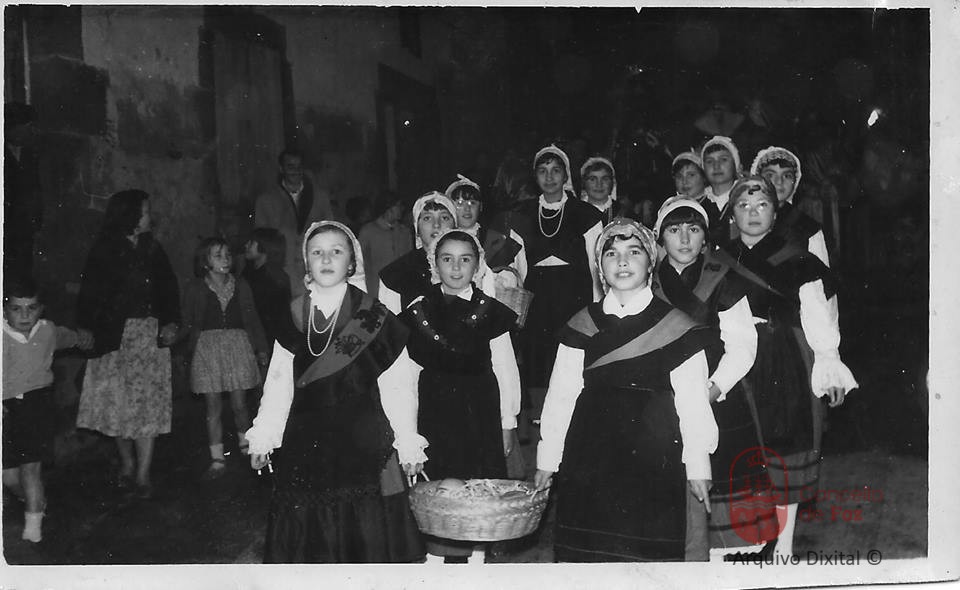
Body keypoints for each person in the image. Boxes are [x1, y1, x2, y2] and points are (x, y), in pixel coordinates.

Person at [534, 218, 718, 562]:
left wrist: (698, 465)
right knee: (591, 554)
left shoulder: (677, 326)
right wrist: (548, 458)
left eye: (634, 252)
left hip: (654, 450)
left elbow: (693, 403)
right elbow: (561, 395)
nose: (622, 261)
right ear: (599, 267)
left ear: (650, 263)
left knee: (647, 555)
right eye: (611, 253)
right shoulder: (582, 324)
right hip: (589, 453)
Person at [245, 220, 426, 563]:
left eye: (336, 251)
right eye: (317, 252)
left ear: (352, 262)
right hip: (306, 439)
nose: (326, 259)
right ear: (306, 262)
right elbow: (279, 383)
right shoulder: (293, 314)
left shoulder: (375, 316)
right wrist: (265, 435)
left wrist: (407, 440)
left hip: (362, 439)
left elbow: (398, 386)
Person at [722, 176, 858, 558]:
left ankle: (783, 546)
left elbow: (818, 316)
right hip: (733, 362)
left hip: (783, 359)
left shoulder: (798, 258)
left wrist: (829, 363)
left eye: (762, 205)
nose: (752, 213)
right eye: (744, 206)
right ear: (731, 214)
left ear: (776, 212)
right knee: (744, 450)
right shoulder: (717, 260)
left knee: (785, 447)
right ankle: (748, 542)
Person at [650, 197, 774, 560]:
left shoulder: (723, 278)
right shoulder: (646, 280)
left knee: (722, 484)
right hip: (660, 398)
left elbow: (743, 344)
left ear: (705, 237)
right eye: (674, 230)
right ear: (660, 238)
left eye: (693, 229)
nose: (684, 239)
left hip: (717, 395)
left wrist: (713, 388)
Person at [399, 229, 521, 564]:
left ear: (477, 265)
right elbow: (406, 374)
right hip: (435, 409)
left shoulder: (491, 312)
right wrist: (408, 431)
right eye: (447, 259)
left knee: (478, 481)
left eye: (465, 259)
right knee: (439, 482)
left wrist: (507, 421)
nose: (456, 267)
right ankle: (436, 558)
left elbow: (505, 368)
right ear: (434, 264)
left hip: (479, 408)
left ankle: (477, 557)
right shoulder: (418, 312)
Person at [76, 189, 180, 500]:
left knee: (146, 407)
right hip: (114, 339)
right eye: (145, 211)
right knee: (118, 405)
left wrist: (171, 322)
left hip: (148, 337)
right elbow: (90, 294)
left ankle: (143, 474)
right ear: (130, 215)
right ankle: (127, 463)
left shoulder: (153, 249)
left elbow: (169, 289)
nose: (149, 216)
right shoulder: (104, 250)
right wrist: (86, 328)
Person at [509, 144, 603, 424]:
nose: (549, 177)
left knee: (572, 356)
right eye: (543, 171)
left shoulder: (586, 214)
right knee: (539, 358)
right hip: (539, 298)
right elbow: (518, 266)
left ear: (566, 175)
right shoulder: (522, 214)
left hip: (574, 296)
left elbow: (595, 264)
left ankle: (575, 418)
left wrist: (597, 309)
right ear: (535, 176)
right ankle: (542, 421)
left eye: (555, 171)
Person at [3, 278, 93, 542]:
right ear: (4, 310)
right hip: (6, 408)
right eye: (16, 309)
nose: (24, 315)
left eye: (31, 308)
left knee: (31, 470)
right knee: (9, 476)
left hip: (36, 406)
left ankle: (33, 531)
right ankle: (36, 504)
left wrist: (83, 337)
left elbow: (71, 337)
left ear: (41, 309)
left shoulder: (48, 330)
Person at [180, 237, 269, 479]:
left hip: (237, 347)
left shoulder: (241, 285)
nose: (226, 259)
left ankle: (245, 443)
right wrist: (175, 337)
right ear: (205, 261)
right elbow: (187, 321)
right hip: (208, 350)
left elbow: (252, 318)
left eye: (228, 254)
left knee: (240, 404)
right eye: (218, 255)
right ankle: (217, 458)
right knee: (213, 407)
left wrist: (261, 348)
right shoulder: (196, 288)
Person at [379, 191, 496, 314]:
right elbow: (392, 322)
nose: (436, 225)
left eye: (444, 218)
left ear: (454, 225)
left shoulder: (477, 268)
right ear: (417, 228)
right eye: (427, 218)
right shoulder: (396, 274)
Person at [254, 148, 335, 297]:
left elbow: (331, 232)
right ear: (281, 169)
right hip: (282, 272)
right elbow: (261, 240)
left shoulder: (320, 197)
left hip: (314, 268)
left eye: (299, 167)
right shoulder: (265, 200)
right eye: (290, 166)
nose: (296, 171)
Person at [750, 146, 831, 266]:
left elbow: (819, 272)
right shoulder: (742, 218)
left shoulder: (807, 228)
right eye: (770, 175)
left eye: (787, 176)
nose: (779, 181)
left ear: (795, 182)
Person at [445, 174, 528, 290]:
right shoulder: (442, 240)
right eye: (459, 203)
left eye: (472, 203)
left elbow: (511, 281)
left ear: (481, 207)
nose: (467, 209)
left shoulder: (496, 240)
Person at [3, 102, 42, 282]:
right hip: (6, 231)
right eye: (28, 127)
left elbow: (35, 191)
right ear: (13, 128)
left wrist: (37, 224)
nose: (32, 132)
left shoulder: (30, 154)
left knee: (22, 274)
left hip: (24, 231)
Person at [242, 227, 292, 354]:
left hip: (268, 342)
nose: (246, 245)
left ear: (264, 246)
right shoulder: (247, 273)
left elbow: (279, 319)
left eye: (251, 242)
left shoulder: (275, 278)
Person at [358, 191, 413, 299]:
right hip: (376, 290)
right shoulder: (368, 231)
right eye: (398, 206)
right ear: (388, 207)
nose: (401, 209)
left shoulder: (404, 232)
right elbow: (359, 261)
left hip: (401, 290)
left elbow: (410, 261)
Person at [700, 136, 744, 243]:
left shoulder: (746, 197)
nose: (716, 166)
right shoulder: (699, 205)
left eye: (723, 159)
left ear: (735, 165)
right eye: (709, 161)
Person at [579, 157, 623, 225]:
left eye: (605, 179)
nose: (599, 185)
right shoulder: (574, 213)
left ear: (612, 183)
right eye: (593, 179)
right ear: (583, 183)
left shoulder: (623, 213)